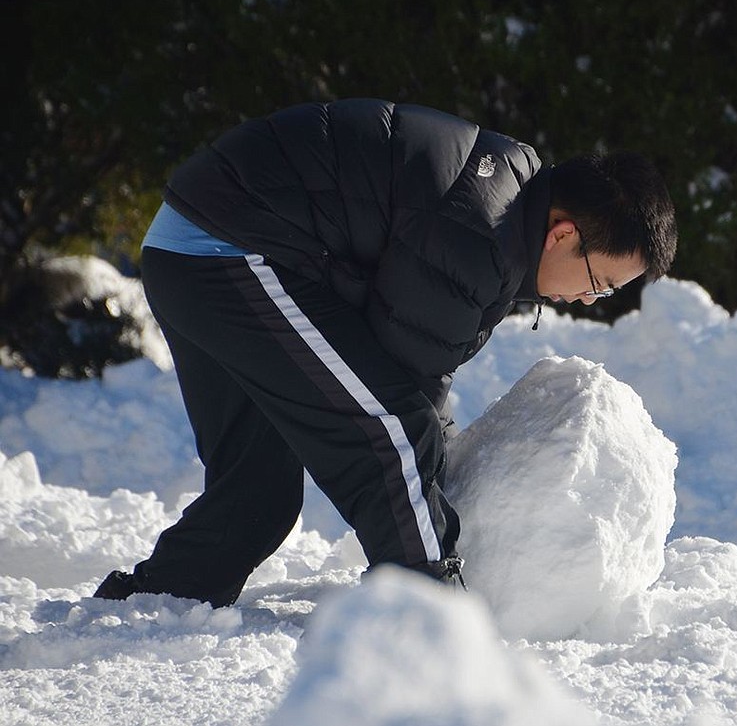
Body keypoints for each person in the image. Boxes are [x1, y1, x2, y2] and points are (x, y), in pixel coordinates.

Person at [93, 98, 677, 607]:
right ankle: (429, 613)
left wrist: (437, 473)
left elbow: (407, 364)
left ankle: (155, 603)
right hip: (232, 249)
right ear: (564, 234)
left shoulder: (507, 204)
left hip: (191, 244)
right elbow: (398, 398)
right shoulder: (482, 230)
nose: (587, 299)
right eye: (600, 283)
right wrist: (437, 526)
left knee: (260, 491)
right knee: (393, 428)